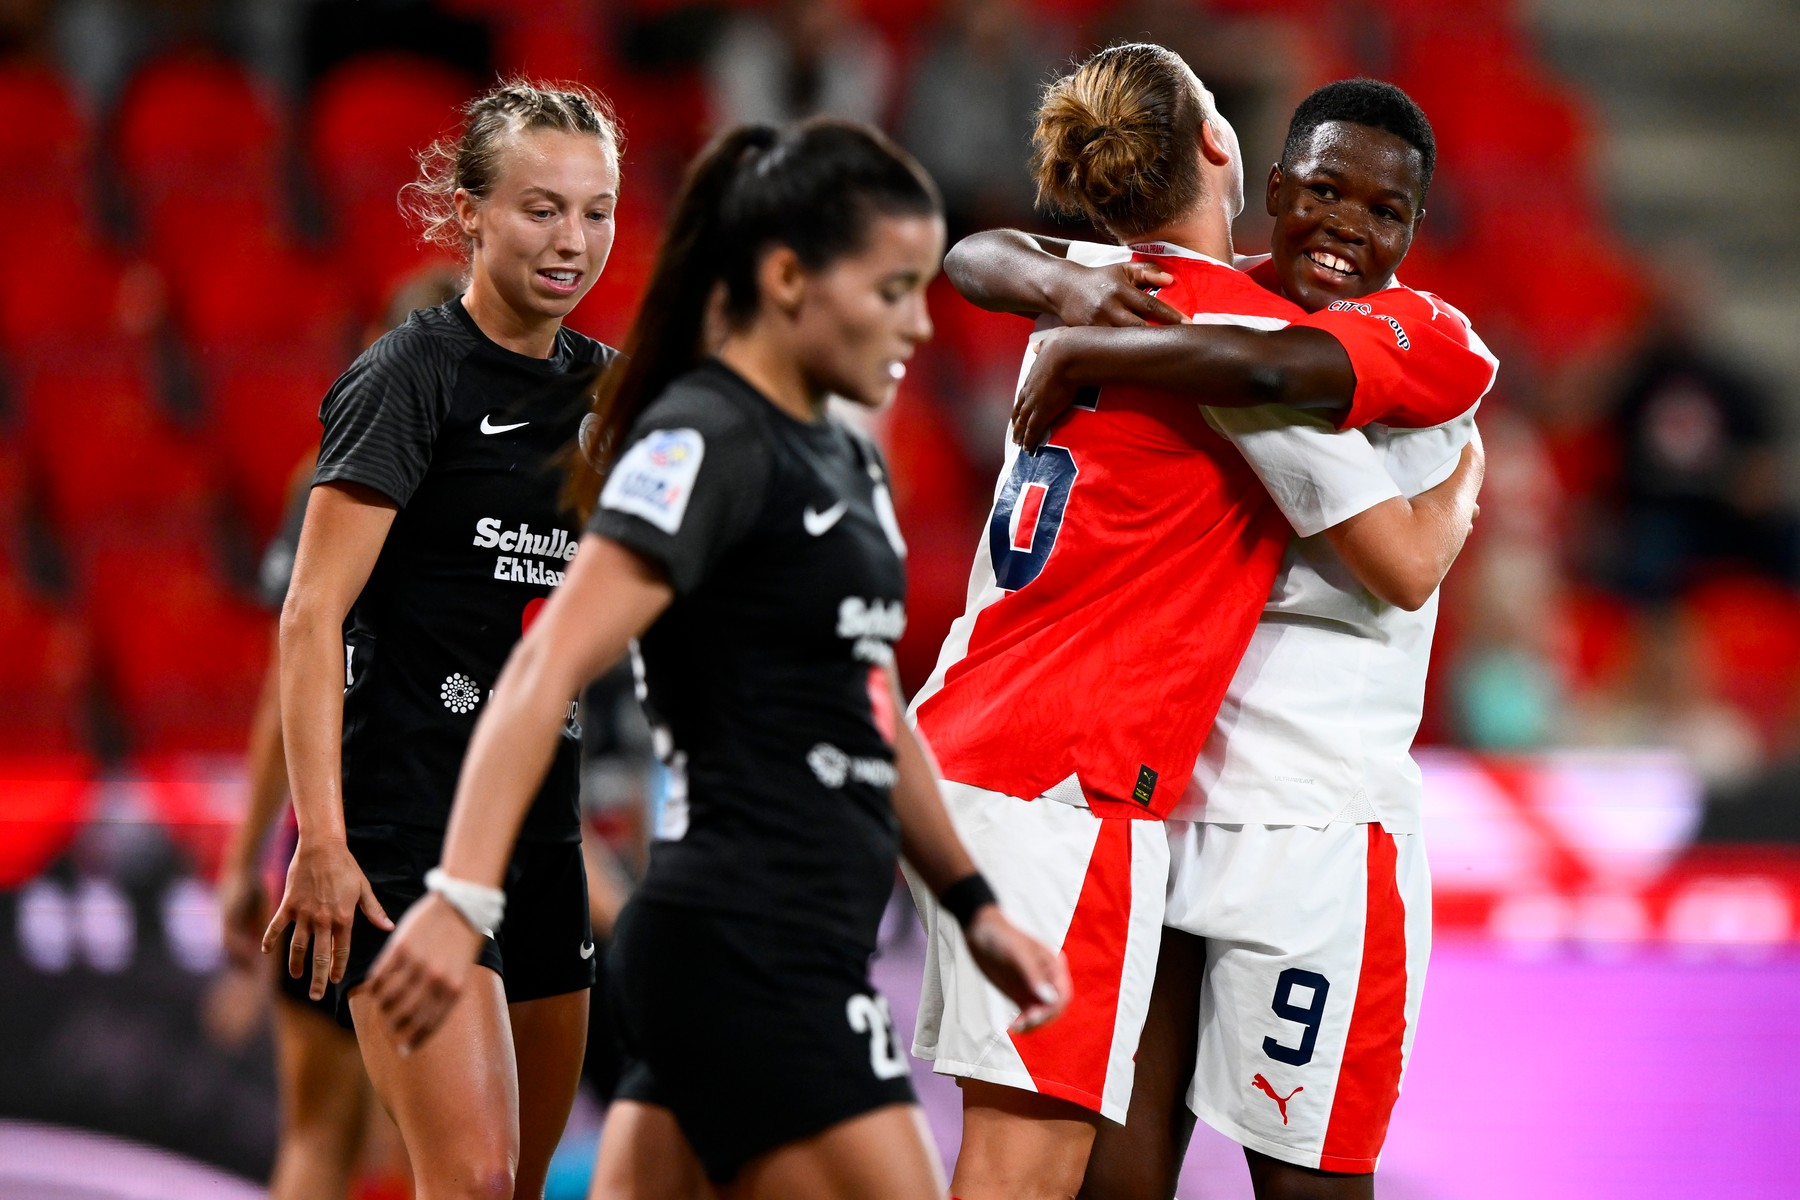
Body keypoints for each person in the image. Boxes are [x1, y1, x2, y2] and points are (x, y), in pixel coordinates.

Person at [360, 118, 1069, 1200]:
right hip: (751, 940)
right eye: (890, 290)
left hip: (791, 940)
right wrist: (460, 894)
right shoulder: (703, 442)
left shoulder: (843, 454)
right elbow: (544, 667)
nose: (920, 325)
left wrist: (972, 904)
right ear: (788, 278)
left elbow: (868, 697)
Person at [905, 50, 1489, 1200]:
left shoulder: (1135, 291)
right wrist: (1462, 485)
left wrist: (1077, 319)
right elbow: (1408, 558)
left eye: (1386, 210)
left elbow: (974, 256)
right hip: (1114, 800)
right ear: (1252, 169)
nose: (1347, 226)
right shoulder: (1232, 331)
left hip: (1271, 824)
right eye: (1324, 191)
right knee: (1054, 1173)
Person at [260, 80, 622, 1200]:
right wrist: (322, 839)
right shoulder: (406, 377)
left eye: (597, 211)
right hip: (405, 834)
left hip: (542, 837)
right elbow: (309, 615)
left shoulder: (612, 395)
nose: (573, 241)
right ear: (469, 212)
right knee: (469, 1180)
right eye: (541, 208)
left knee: (516, 1187)